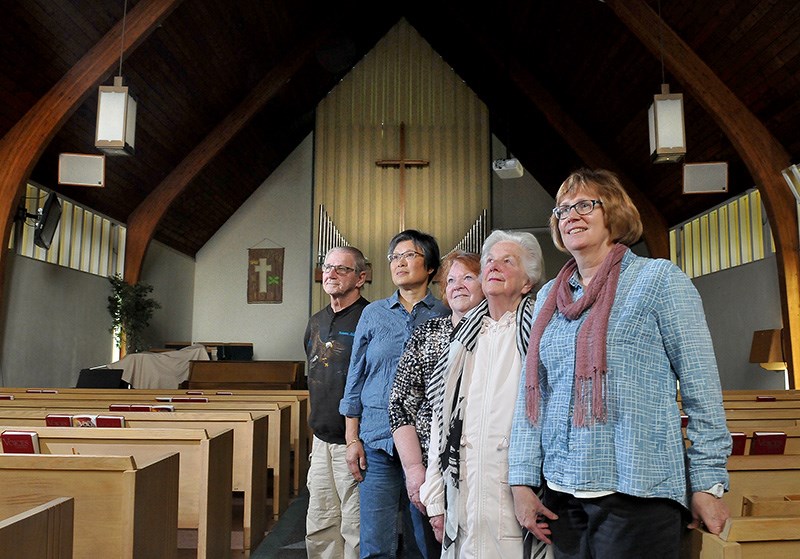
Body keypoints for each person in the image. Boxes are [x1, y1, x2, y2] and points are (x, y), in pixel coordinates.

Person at [509, 168, 732, 559]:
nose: (571, 215)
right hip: (563, 494)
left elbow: (702, 388)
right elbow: (535, 394)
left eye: (585, 205)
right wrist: (522, 482)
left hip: (638, 487)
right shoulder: (549, 297)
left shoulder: (659, 280)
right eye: (562, 210)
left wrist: (707, 482)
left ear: (613, 211)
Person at [420, 230, 545, 559]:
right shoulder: (463, 341)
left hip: (516, 489)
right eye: (489, 259)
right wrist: (435, 497)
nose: (494, 265)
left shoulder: (541, 335)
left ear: (528, 282)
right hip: (464, 493)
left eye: (508, 261)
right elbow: (441, 423)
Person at [340, 229, 449, 558]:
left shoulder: (445, 313)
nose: (399, 263)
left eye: (409, 255)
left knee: (428, 537)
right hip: (376, 439)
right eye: (394, 257)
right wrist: (351, 439)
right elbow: (354, 377)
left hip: (428, 444)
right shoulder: (373, 314)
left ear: (429, 266)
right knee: (376, 541)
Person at [389, 251, 485, 521]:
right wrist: (414, 469)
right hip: (430, 466)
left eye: (468, 277)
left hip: (482, 465)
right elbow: (400, 404)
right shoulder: (427, 332)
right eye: (451, 280)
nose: (458, 285)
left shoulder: (497, 333)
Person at [304, 246, 370, 559]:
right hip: (320, 440)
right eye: (327, 267)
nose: (330, 273)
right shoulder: (316, 321)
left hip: (355, 441)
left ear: (361, 277)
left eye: (341, 269)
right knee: (320, 523)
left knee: (355, 526)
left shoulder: (370, 318)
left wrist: (355, 437)